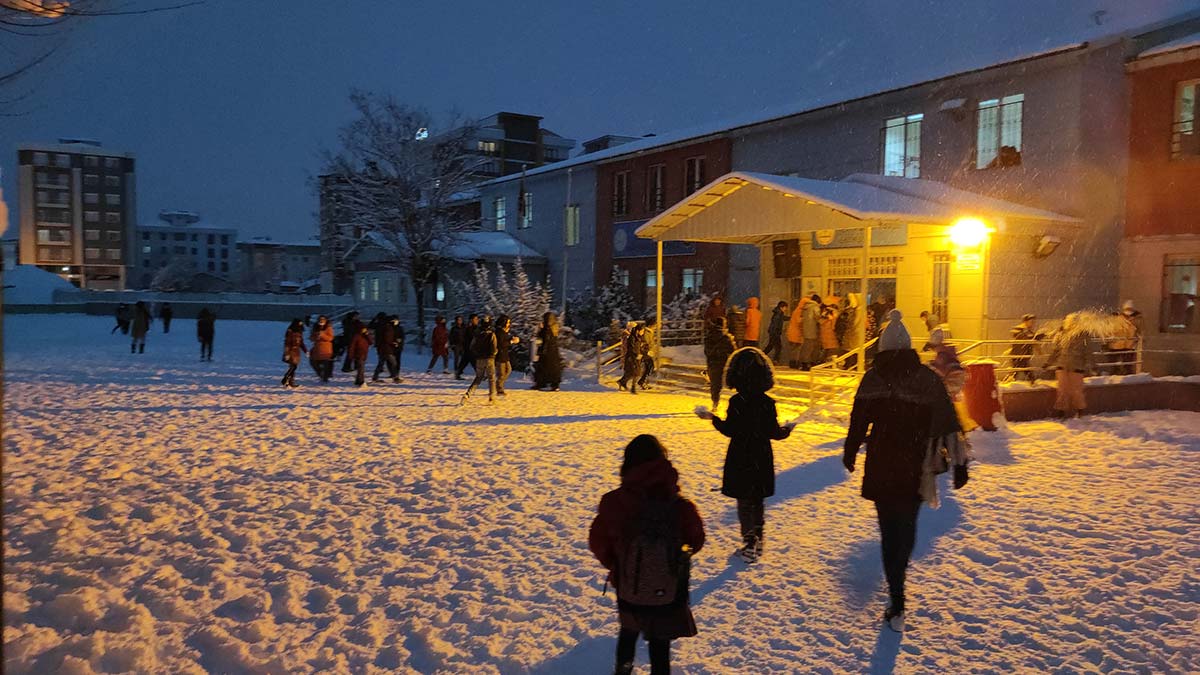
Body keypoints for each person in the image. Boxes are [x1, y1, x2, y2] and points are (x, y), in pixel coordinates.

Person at [843, 309, 967, 632]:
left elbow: (858, 419)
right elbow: (947, 421)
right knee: (907, 526)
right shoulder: (925, 379)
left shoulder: (873, 378)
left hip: (883, 463)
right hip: (915, 465)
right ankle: (900, 576)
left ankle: (896, 597)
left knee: (888, 530)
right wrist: (959, 464)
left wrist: (850, 451)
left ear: (883, 348)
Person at [588, 435, 705, 675]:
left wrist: (618, 564)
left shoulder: (614, 502)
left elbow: (598, 541)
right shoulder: (679, 506)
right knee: (660, 643)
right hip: (668, 588)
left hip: (628, 586)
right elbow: (696, 540)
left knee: (628, 632)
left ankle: (623, 669)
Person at [696, 347, 794, 563]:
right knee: (757, 500)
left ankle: (749, 539)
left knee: (743, 500)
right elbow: (774, 433)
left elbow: (729, 430)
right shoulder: (767, 403)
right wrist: (787, 429)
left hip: (740, 455)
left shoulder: (737, 402)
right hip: (761, 455)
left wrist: (713, 418)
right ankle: (758, 538)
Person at [1045, 313, 1094, 418]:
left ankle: (1080, 410)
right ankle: (1061, 411)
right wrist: (1048, 363)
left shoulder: (1083, 335)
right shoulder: (1062, 334)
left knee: (1076, 391)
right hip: (1063, 365)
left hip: (1076, 366)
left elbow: (1088, 351)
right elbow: (1056, 350)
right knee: (1062, 390)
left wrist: (1091, 364)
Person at [702, 316, 737, 411]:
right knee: (734, 383)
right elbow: (734, 351)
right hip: (725, 364)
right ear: (724, 325)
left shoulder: (709, 336)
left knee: (715, 385)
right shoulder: (727, 337)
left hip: (712, 364)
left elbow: (707, 352)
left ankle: (715, 403)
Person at [461, 317, 498, 404]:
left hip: (479, 359)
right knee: (491, 378)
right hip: (489, 358)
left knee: (478, 377)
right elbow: (494, 347)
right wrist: (494, 353)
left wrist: (477, 354)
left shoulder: (477, 333)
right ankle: (492, 397)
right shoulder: (491, 334)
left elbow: (472, 346)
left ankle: (468, 394)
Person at [532, 311, 564, 391]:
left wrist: (540, 349)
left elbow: (543, 339)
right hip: (552, 352)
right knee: (551, 368)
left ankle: (543, 383)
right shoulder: (554, 328)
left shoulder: (547, 329)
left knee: (544, 368)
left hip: (546, 352)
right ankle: (553, 384)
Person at [618, 323, 648, 394]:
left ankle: (622, 382)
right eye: (642, 330)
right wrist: (637, 354)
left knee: (631, 373)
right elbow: (631, 348)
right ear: (638, 330)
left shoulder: (639, 337)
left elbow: (641, 347)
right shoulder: (632, 337)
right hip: (632, 357)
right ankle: (633, 388)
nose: (643, 332)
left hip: (636, 357)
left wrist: (644, 352)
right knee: (636, 373)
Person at [1009, 313, 1040, 382]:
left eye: (1034, 322)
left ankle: (1009, 382)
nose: (1033, 324)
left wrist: (1039, 350)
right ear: (1025, 322)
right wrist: (1034, 338)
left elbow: (1033, 341)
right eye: (1031, 322)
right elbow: (1025, 338)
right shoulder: (1018, 329)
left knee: (1017, 371)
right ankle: (1033, 382)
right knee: (1023, 370)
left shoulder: (1029, 331)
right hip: (1019, 355)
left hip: (1023, 355)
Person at [493, 315, 519, 396]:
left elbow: (505, 340)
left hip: (504, 355)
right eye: (507, 322)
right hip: (500, 356)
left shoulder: (503, 331)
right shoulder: (499, 332)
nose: (509, 324)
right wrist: (511, 342)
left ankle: (499, 386)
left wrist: (511, 339)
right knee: (501, 373)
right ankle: (499, 389)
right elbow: (501, 344)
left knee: (508, 370)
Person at [371, 313, 401, 383]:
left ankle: (375, 377)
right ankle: (395, 377)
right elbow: (387, 338)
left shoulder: (381, 326)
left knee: (381, 363)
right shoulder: (388, 327)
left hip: (382, 348)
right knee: (393, 363)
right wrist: (393, 342)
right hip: (387, 348)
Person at [838, 293, 863, 370]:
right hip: (855, 333)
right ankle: (852, 366)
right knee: (853, 350)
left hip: (854, 333)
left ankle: (851, 366)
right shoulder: (859, 310)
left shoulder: (858, 310)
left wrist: (848, 325)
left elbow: (855, 322)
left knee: (852, 350)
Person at [281, 319, 307, 388]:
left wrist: (306, 351)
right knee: (293, 366)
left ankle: (289, 380)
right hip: (291, 351)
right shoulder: (290, 331)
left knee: (293, 367)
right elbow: (287, 343)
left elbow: (301, 343)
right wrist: (287, 353)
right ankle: (286, 379)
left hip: (296, 352)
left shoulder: (299, 332)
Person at [309, 315, 335, 382]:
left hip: (326, 349)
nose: (321, 321)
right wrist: (316, 337)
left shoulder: (329, 328)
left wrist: (323, 335)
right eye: (320, 319)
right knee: (313, 362)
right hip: (317, 348)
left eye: (323, 319)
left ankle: (325, 378)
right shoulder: (315, 327)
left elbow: (331, 338)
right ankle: (320, 374)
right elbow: (311, 337)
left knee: (326, 364)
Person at [456, 314, 480, 380]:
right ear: (472, 320)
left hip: (470, 347)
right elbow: (469, 336)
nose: (477, 320)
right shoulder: (468, 327)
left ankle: (458, 372)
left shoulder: (474, 327)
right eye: (475, 319)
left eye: (477, 319)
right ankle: (480, 374)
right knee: (473, 361)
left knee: (465, 361)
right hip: (469, 347)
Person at [785, 298, 804, 368]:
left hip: (793, 332)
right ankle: (794, 363)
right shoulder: (799, 311)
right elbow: (799, 321)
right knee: (796, 349)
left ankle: (792, 362)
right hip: (796, 333)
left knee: (794, 349)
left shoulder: (796, 310)